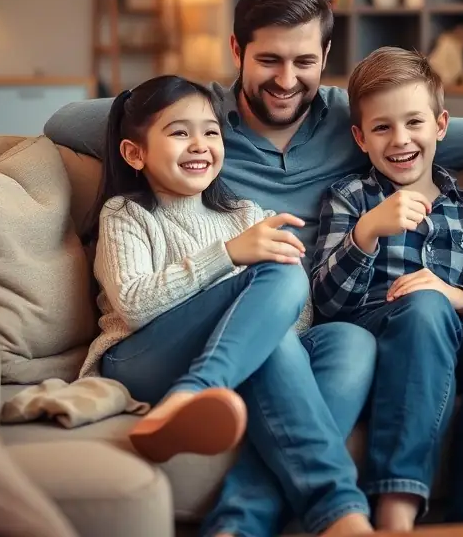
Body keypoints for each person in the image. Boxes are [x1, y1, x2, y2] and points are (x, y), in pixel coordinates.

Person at [44, 0, 463, 536]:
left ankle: (238, 525)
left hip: (283, 321)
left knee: (349, 340)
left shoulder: (353, 119)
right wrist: (178, 116)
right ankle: (337, 508)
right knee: (280, 279)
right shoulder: (200, 120)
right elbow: (66, 121)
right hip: (170, 333)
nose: (287, 79)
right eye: (269, 60)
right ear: (237, 50)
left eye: (304, 61)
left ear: (326, 55)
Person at [310, 47, 463, 532]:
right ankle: (395, 509)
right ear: (360, 137)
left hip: (453, 335)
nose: (400, 140)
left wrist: (459, 296)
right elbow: (326, 302)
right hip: (376, 335)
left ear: (441, 125)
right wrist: (366, 232)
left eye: (414, 123)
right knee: (423, 306)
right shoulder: (350, 197)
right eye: (382, 127)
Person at [80, 74, 314, 462]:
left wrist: (254, 331)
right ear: (135, 153)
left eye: (211, 133)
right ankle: (193, 391)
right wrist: (227, 255)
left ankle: (336, 507)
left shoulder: (246, 215)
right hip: (140, 359)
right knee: (283, 273)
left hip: (220, 353)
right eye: (179, 133)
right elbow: (134, 306)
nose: (199, 146)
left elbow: (300, 313)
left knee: (348, 341)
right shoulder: (127, 214)